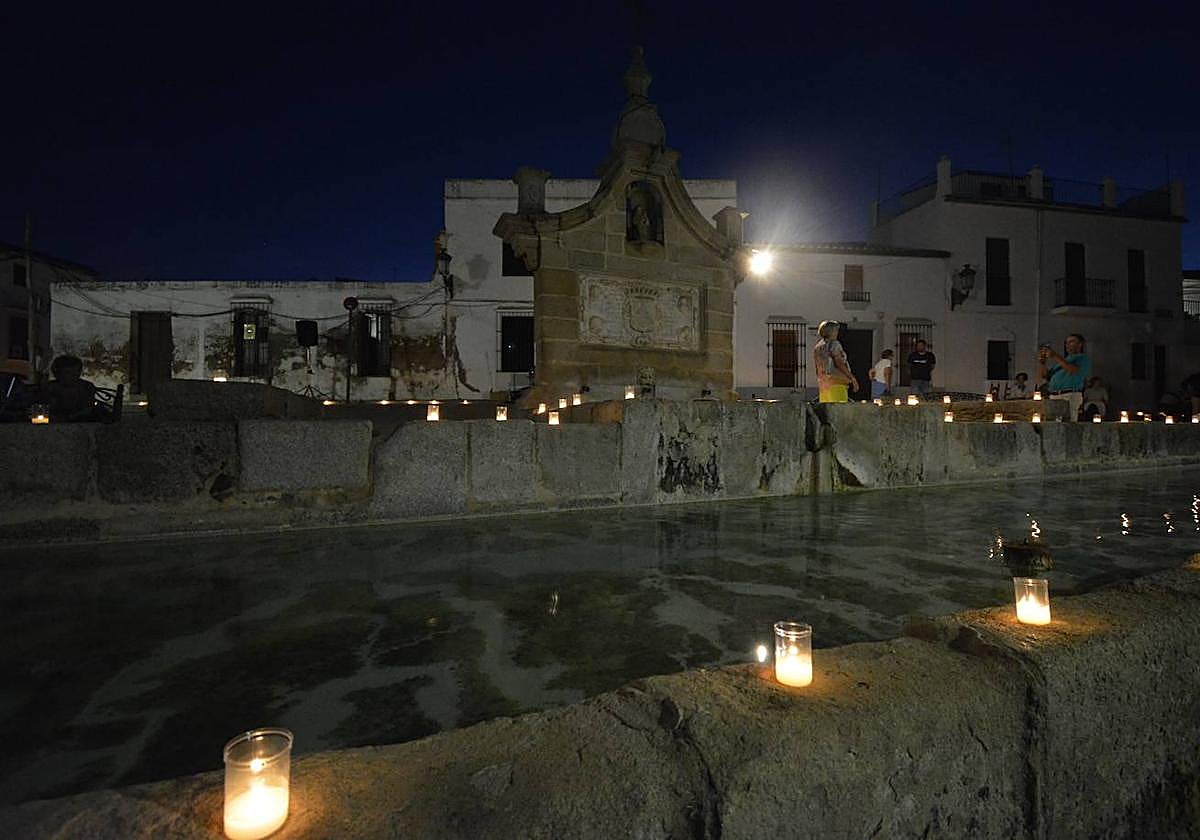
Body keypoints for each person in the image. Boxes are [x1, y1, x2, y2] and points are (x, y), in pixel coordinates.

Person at [1038, 333, 1091, 421]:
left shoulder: (1083, 358)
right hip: (1054, 395)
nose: (1068, 345)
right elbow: (1045, 376)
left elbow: (1072, 370)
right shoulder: (1064, 361)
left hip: (1069, 395)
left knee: (1067, 423)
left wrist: (1055, 356)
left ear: (1080, 344)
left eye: (1071, 342)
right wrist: (1043, 363)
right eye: (1066, 343)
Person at [813, 320, 858, 403]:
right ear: (831, 331)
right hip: (837, 383)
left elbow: (817, 367)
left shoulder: (818, 346)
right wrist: (852, 378)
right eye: (836, 330)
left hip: (824, 385)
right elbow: (839, 363)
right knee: (839, 412)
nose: (837, 332)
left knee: (826, 413)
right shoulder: (834, 344)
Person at [44, 355, 98, 422]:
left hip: (81, 421)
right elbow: (46, 409)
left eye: (73, 372)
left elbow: (88, 409)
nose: (68, 376)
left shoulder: (86, 387)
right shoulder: (50, 387)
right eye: (65, 372)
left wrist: (70, 417)